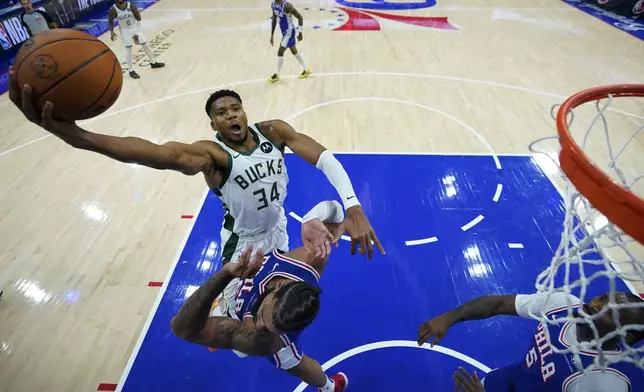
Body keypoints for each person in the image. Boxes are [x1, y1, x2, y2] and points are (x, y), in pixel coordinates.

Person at [8, 76, 384, 318]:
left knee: (331, 212)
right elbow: (159, 154)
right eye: (221, 113)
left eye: (235, 108)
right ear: (213, 124)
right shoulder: (213, 155)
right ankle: (231, 305)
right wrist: (80, 137)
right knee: (248, 324)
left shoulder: (273, 131)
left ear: (244, 111)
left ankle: (301, 248)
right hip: (244, 247)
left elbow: (325, 159)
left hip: (279, 229)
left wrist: (353, 205)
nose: (231, 115)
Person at [171, 200, 349, 392]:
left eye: (268, 327)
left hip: (261, 328)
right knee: (231, 317)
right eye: (263, 317)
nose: (257, 327)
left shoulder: (266, 340)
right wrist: (311, 219)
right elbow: (334, 209)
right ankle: (223, 317)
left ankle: (329, 387)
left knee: (297, 365)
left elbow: (181, 328)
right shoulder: (309, 258)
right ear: (278, 285)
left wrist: (225, 275)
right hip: (245, 290)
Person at [417, 291, 644, 391]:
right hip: (508, 380)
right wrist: (449, 317)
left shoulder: (602, 383)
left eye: (609, 311)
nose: (595, 304)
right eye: (602, 298)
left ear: (626, 335)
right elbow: (499, 304)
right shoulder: (562, 304)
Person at [108, 0, 165, 79]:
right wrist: (112, 32)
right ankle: (131, 70)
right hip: (125, 31)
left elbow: (139, 18)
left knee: (145, 44)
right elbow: (110, 22)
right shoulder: (113, 10)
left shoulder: (131, 6)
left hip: (135, 27)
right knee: (128, 50)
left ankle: (153, 62)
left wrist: (136, 33)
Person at [268, 0, 311, 83]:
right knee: (294, 51)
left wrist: (300, 32)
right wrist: (272, 35)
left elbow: (299, 17)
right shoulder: (273, 5)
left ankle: (277, 74)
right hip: (284, 31)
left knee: (280, 52)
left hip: (289, 32)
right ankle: (306, 69)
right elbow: (274, 19)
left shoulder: (287, 5)